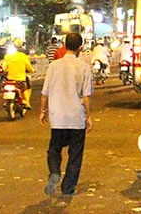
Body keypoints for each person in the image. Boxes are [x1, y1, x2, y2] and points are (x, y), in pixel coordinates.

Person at [39, 31, 93, 197]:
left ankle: (55, 172)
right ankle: (68, 188)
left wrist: (42, 111)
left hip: (58, 117)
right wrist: (89, 116)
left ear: (64, 46)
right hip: (76, 117)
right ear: (80, 48)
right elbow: (86, 96)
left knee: (54, 149)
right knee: (75, 155)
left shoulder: (53, 66)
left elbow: (44, 93)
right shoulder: (84, 68)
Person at [3, 43, 35, 109]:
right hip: (20, 79)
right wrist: (32, 70)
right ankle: (27, 103)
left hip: (10, 79)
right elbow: (29, 67)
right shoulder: (23, 56)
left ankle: (6, 101)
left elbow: (4, 68)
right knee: (25, 89)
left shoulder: (7, 56)